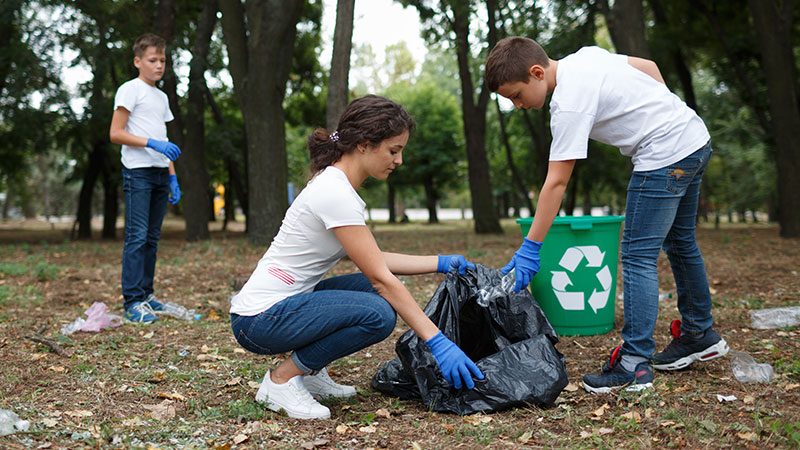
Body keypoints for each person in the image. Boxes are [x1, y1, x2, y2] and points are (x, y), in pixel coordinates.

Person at [485, 37, 729, 393]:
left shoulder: (567, 105)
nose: (518, 105)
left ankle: (634, 362)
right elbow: (649, 67)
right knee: (680, 242)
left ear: (536, 73)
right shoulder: (585, 57)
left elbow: (556, 183)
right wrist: (660, 114)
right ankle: (699, 333)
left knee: (637, 256)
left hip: (663, 155)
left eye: (516, 96)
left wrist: (531, 247)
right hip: (693, 138)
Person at [229, 95, 484, 419]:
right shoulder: (334, 192)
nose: (399, 160)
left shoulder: (336, 184)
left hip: (282, 306)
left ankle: (310, 371)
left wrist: (440, 262)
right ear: (364, 145)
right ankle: (282, 379)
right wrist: (437, 341)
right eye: (394, 150)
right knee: (378, 313)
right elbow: (381, 279)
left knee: (368, 290)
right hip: (259, 320)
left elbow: (373, 259)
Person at [109, 33, 182, 324]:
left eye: (162, 60)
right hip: (138, 172)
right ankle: (132, 301)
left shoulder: (161, 97)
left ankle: (147, 295)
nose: (159, 65)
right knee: (137, 237)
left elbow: (164, 139)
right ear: (138, 61)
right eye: (153, 60)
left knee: (152, 238)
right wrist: (151, 143)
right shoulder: (130, 89)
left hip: (161, 173)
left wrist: (173, 177)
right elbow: (115, 133)